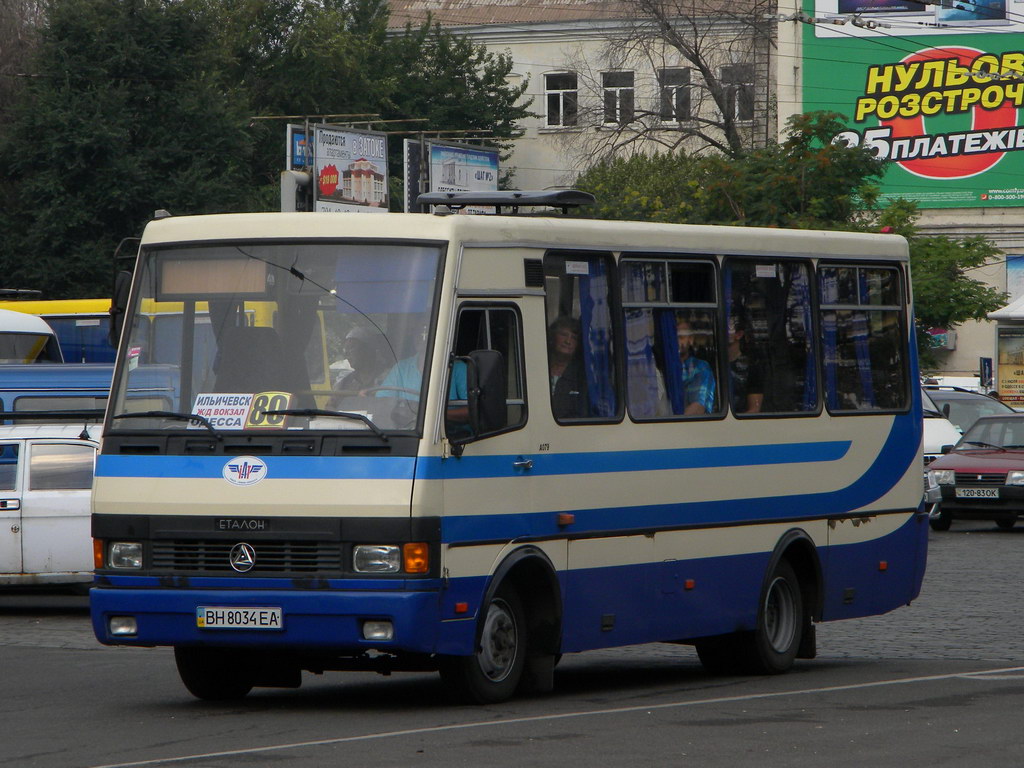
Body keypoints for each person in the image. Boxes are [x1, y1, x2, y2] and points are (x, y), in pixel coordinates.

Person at [675, 317, 716, 415]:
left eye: (681, 337)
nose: (676, 342)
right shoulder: (662, 367)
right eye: (673, 337)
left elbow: (698, 408)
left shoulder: (701, 368)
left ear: (691, 339)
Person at [548, 316, 586, 419]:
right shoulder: (540, 368)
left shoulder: (581, 376)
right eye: (563, 335)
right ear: (552, 337)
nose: (568, 341)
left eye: (574, 338)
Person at [727, 312, 764, 414]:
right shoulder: (712, 364)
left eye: (727, 327)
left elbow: (755, 409)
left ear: (739, 335)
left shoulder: (752, 366)